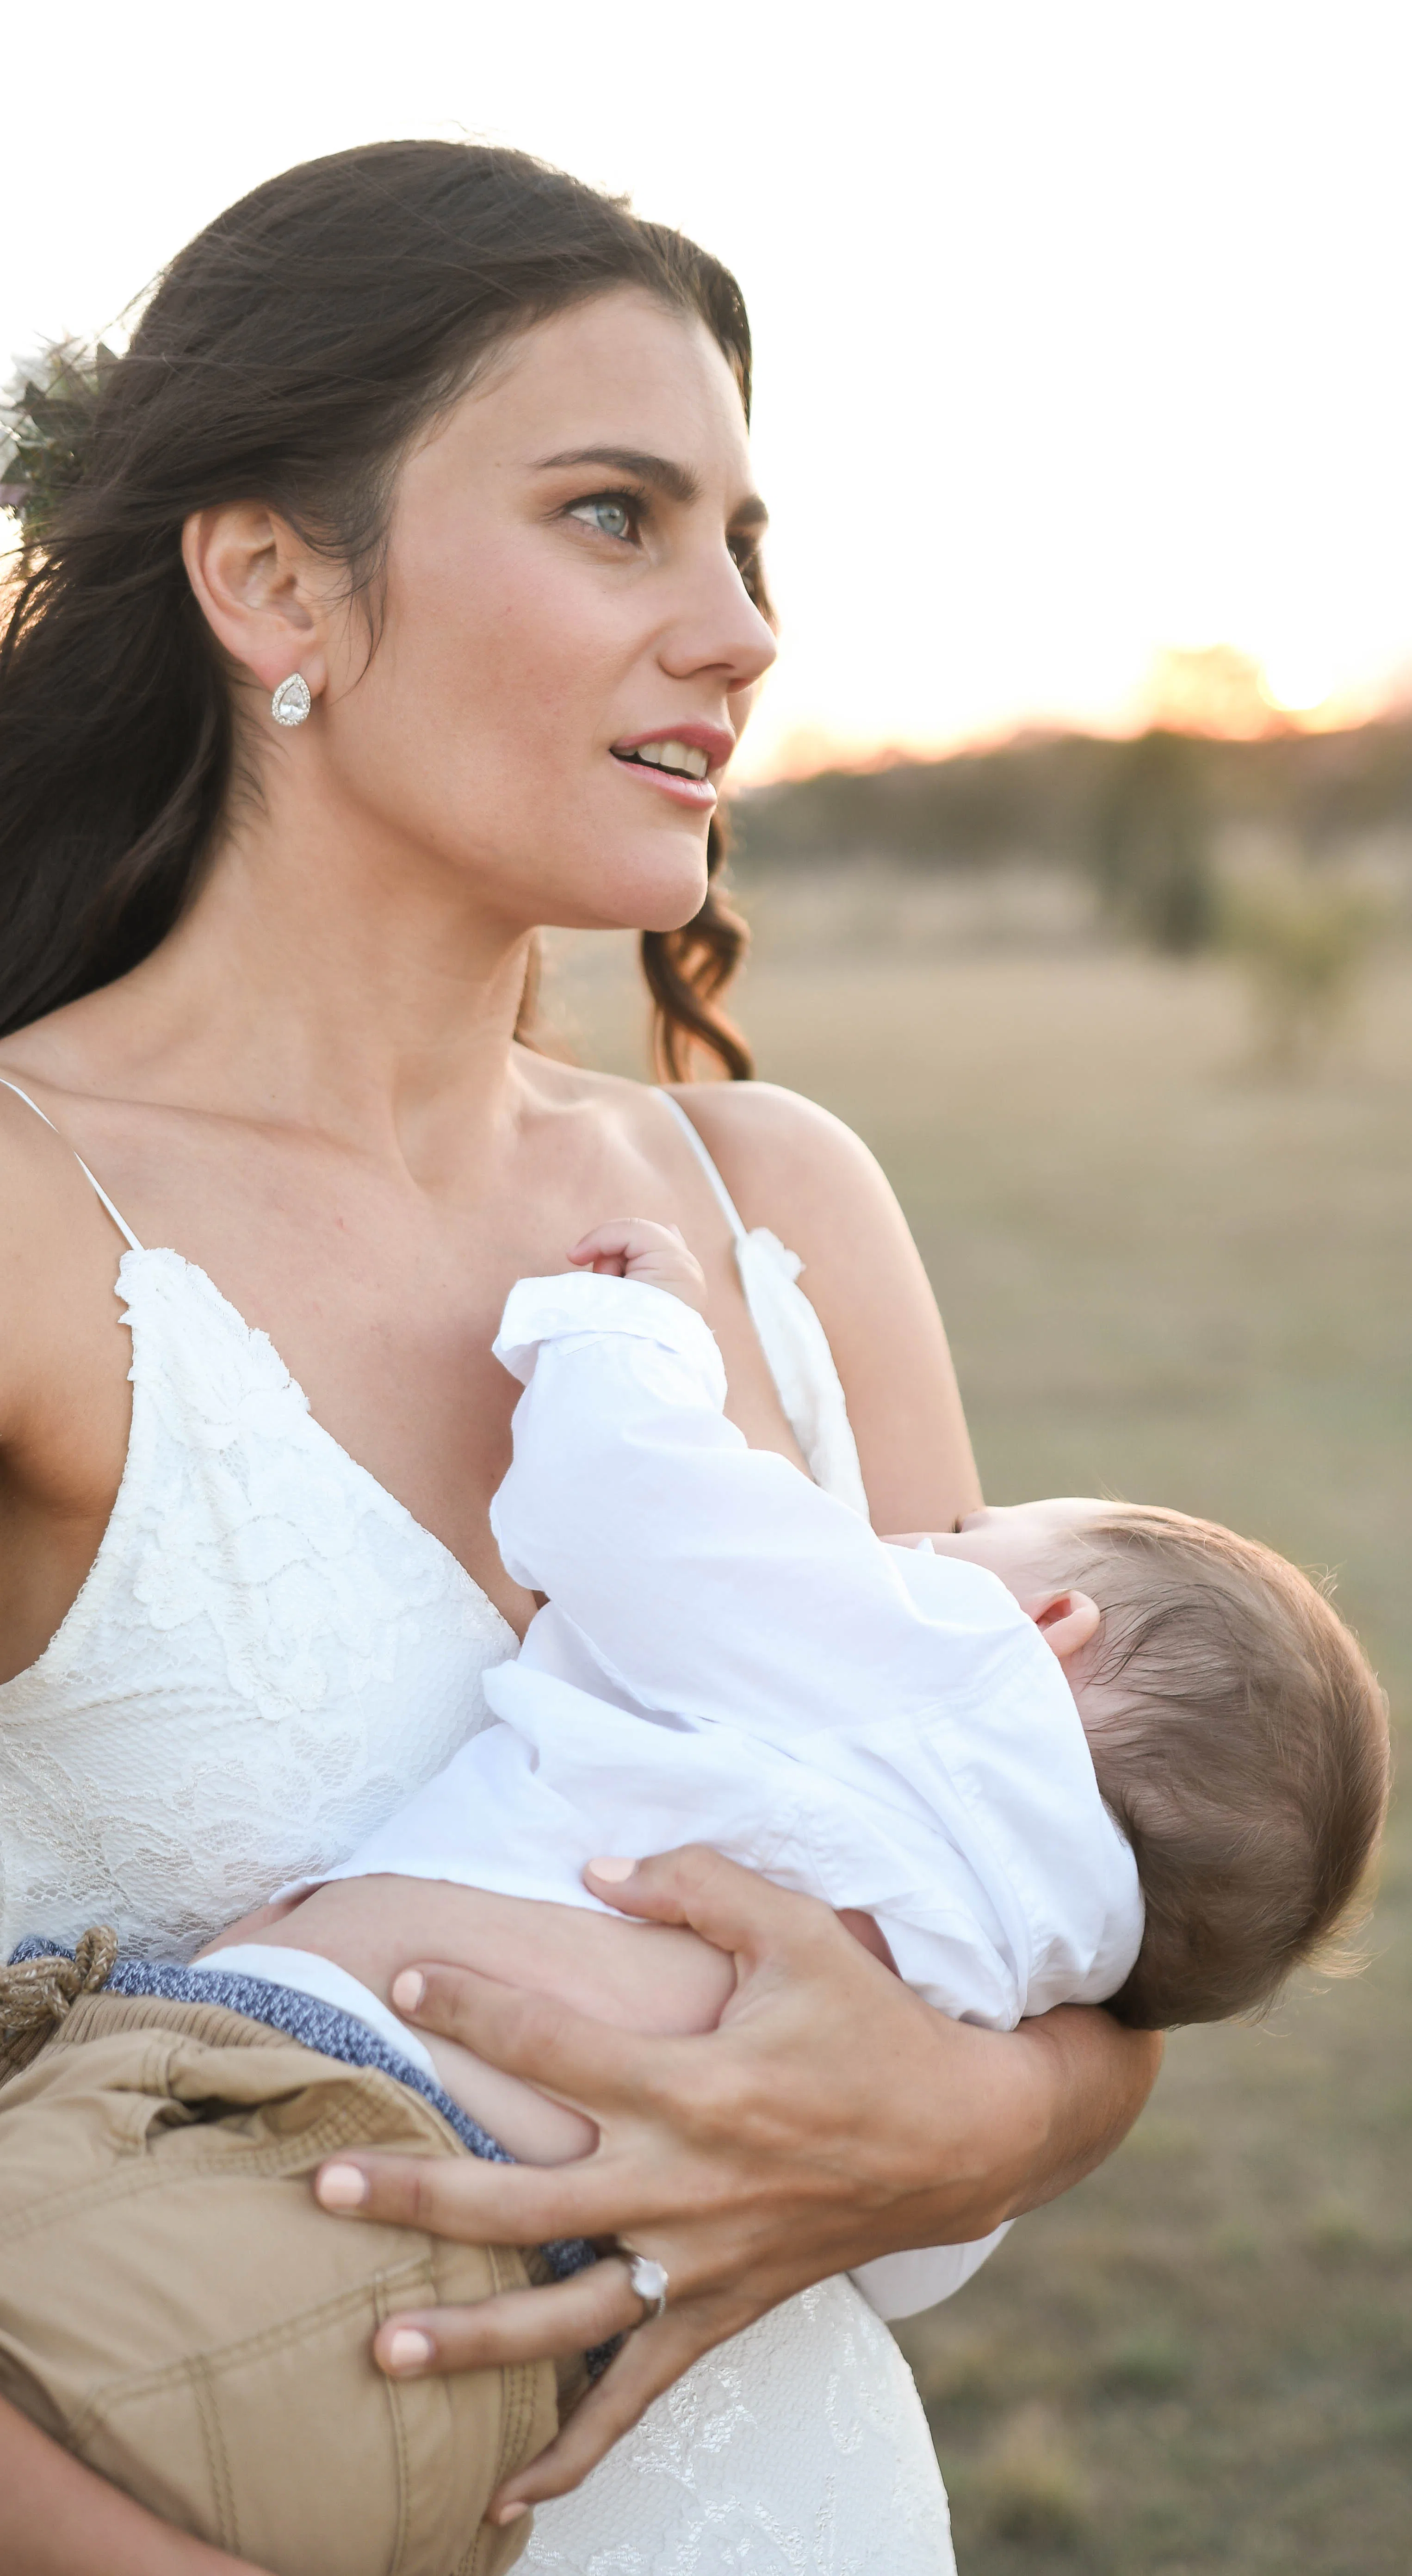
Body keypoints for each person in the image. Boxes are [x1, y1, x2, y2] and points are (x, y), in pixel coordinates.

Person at [0, 140, 1164, 2572]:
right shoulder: (29, 1227)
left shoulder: (788, 1208)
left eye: (749, 545)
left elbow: (1030, 1897)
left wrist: (1019, 2120)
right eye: (618, 516)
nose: (738, 632)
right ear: (268, 577)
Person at [0, 1214, 1387, 2573]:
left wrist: (629, 1330)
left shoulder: (946, 1671)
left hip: (318, 2170)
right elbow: (906, 2245)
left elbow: (635, 1511)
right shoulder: (1005, 1975)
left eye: (970, 1533)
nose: (908, 1553)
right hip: (490, 2380)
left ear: (1044, 1628)